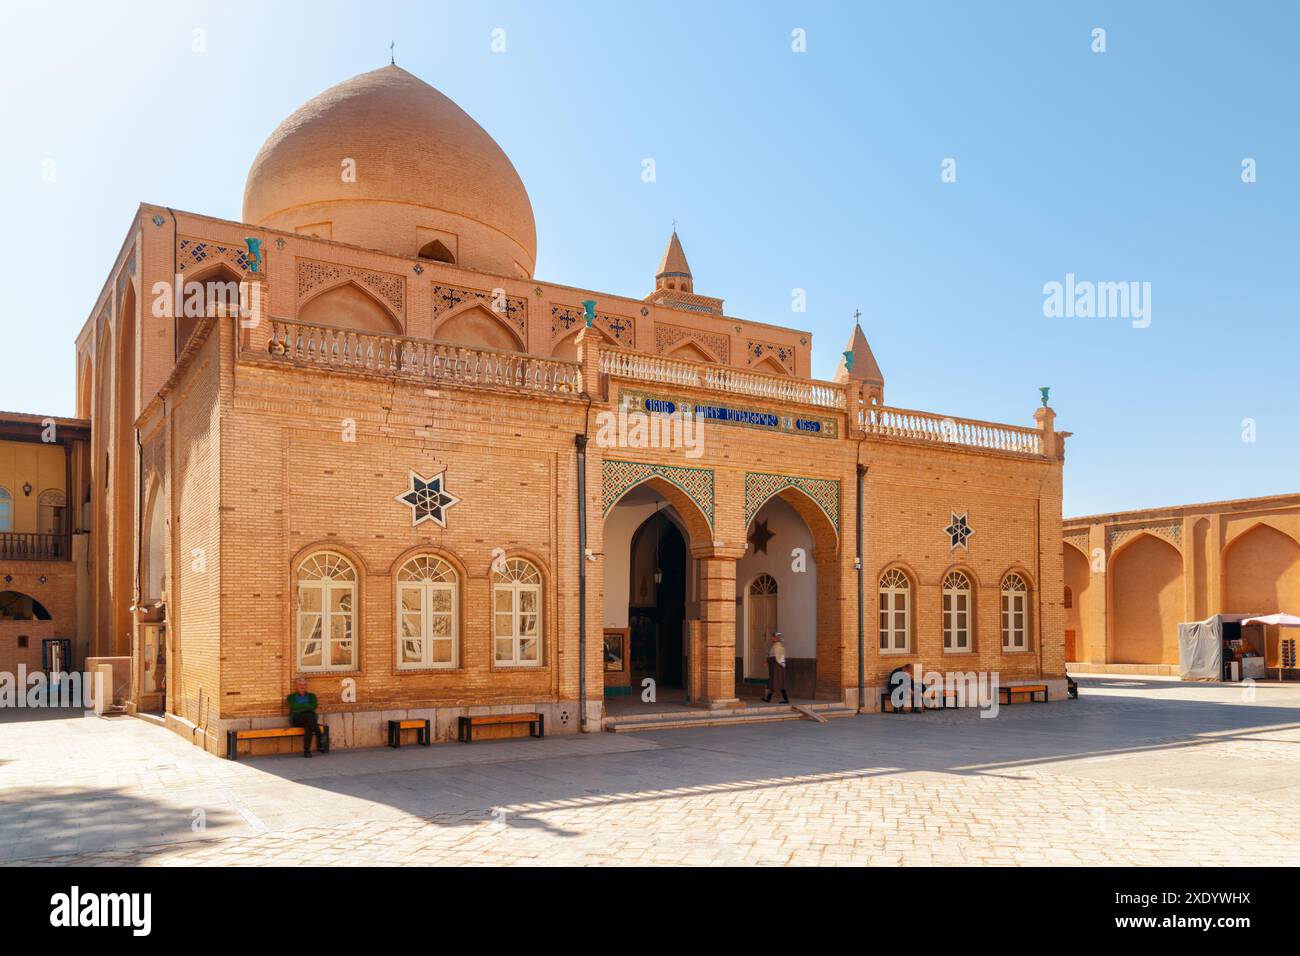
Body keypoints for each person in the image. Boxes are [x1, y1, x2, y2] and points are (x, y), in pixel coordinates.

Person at [287, 677, 325, 757]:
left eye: (304, 684)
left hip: (310, 719)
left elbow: (314, 706)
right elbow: (294, 706)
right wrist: (307, 706)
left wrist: (301, 706)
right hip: (297, 718)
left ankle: (307, 751)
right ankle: (319, 735)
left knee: (309, 725)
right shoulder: (291, 697)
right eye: (300, 684)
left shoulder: (312, 696)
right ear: (296, 686)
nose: (302, 686)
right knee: (309, 716)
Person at [761, 631, 789, 704]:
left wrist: (768, 660)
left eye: (773, 637)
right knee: (776, 683)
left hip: (777, 667)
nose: (771, 638)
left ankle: (786, 699)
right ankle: (768, 698)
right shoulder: (778, 645)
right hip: (778, 667)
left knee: (777, 682)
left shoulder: (777, 646)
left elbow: (775, 657)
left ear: (776, 638)